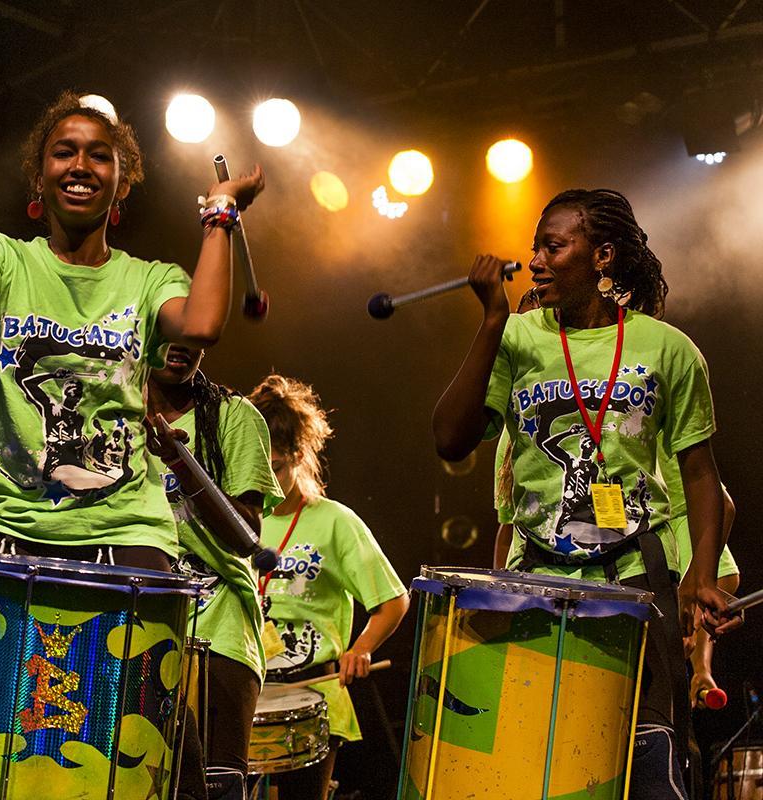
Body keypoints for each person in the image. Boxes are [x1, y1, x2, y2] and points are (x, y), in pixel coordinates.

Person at [0, 90, 263, 800]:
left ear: (122, 183)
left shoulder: (147, 279)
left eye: (99, 155)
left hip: (121, 520)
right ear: (40, 178)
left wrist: (220, 211)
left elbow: (200, 325)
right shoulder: (6, 260)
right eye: (65, 151)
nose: (81, 164)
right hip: (6, 512)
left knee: (160, 681)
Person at [431, 188, 738, 799]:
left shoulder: (668, 349)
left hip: (634, 580)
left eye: (554, 246)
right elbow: (449, 439)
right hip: (537, 582)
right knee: (542, 771)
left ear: (601, 256)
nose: (536, 261)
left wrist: (700, 575)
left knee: (645, 762)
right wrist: (492, 321)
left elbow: (702, 477)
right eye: (534, 248)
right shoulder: (516, 338)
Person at [249, 375, 409, 800]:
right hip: (247, 692)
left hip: (314, 695)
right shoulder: (239, 520)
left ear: (298, 456)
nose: (264, 478)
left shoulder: (336, 521)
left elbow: (393, 601)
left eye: (275, 466)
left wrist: (362, 648)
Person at [143, 344, 284, 786]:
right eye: (169, 331)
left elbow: (244, 535)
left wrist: (179, 462)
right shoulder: (111, 413)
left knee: (213, 785)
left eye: (195, 335)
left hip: (217, 624)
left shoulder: (233, 416)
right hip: (136, 622)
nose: (181, 345)